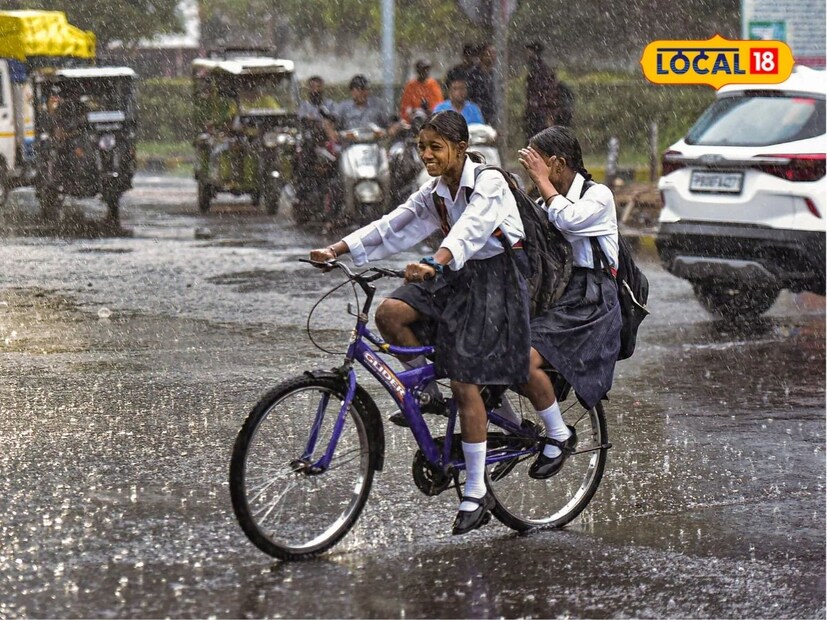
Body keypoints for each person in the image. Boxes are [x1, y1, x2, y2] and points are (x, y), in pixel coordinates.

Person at [309, 110, 530, 535]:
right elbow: (396, 223)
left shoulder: (490, 182)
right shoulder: (436, 191)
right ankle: (428, 393)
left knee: (465, 381)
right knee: (390, 314)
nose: (426, 155)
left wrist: (436, 261)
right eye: (421, 148)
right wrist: (336, 250)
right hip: (455, 273)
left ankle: (476, 492)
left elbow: (472, 227)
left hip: (498, 279)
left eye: (435, 148)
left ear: (461, 150)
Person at [516, 126, 621, 479]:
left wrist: (543, 185)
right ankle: (510, 430)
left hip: (591, 299)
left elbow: (569, 220)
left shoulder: (598, 196)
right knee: (495, 342)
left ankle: (559, 435)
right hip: (558, 293)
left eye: (537, 164)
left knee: (524, 357)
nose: (533, 173)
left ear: (557, 165)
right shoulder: (544, 198)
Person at [333, 74, 400, 137]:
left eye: (365, 89)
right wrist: (333, 134)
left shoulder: (378, 104)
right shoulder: (343, 107)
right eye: (358, 90)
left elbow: (392, 122)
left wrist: (392, 129)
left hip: (373, 145)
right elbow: (330, 122)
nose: (362, 93)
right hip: (350, 146)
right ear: (352, 91)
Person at [523, 42, 559, 140]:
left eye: (528, 52)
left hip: (539, 112)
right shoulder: (536, 69)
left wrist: (547, 112)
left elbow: (545, 92)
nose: (526, 55)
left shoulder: (540, 70)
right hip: (536, 112)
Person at [466, 43, 496, 126]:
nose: (491, 56)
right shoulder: (472, 73)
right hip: (477, 114)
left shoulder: (496, 74)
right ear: (481, 56)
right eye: (488, 53)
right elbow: (469, 95)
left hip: (493, 114)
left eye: (493, 53)